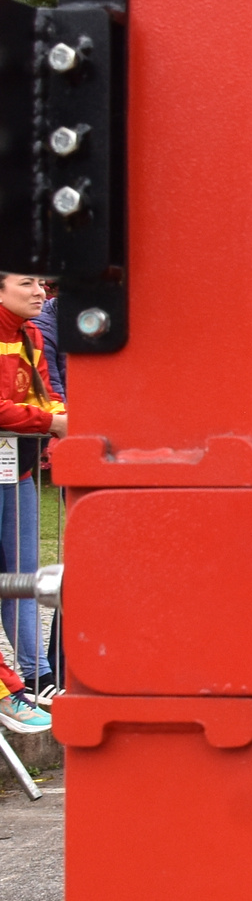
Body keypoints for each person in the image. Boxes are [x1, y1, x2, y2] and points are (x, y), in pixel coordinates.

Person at [0, 274, 62, 705]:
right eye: (27, 283)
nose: (40, 291)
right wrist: (52, 423)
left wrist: (63, 417)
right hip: (15, 464)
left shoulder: (32, 334)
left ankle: (38, 677)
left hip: (16, 473)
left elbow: (46, 395)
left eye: (41, 283)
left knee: (23, 578)